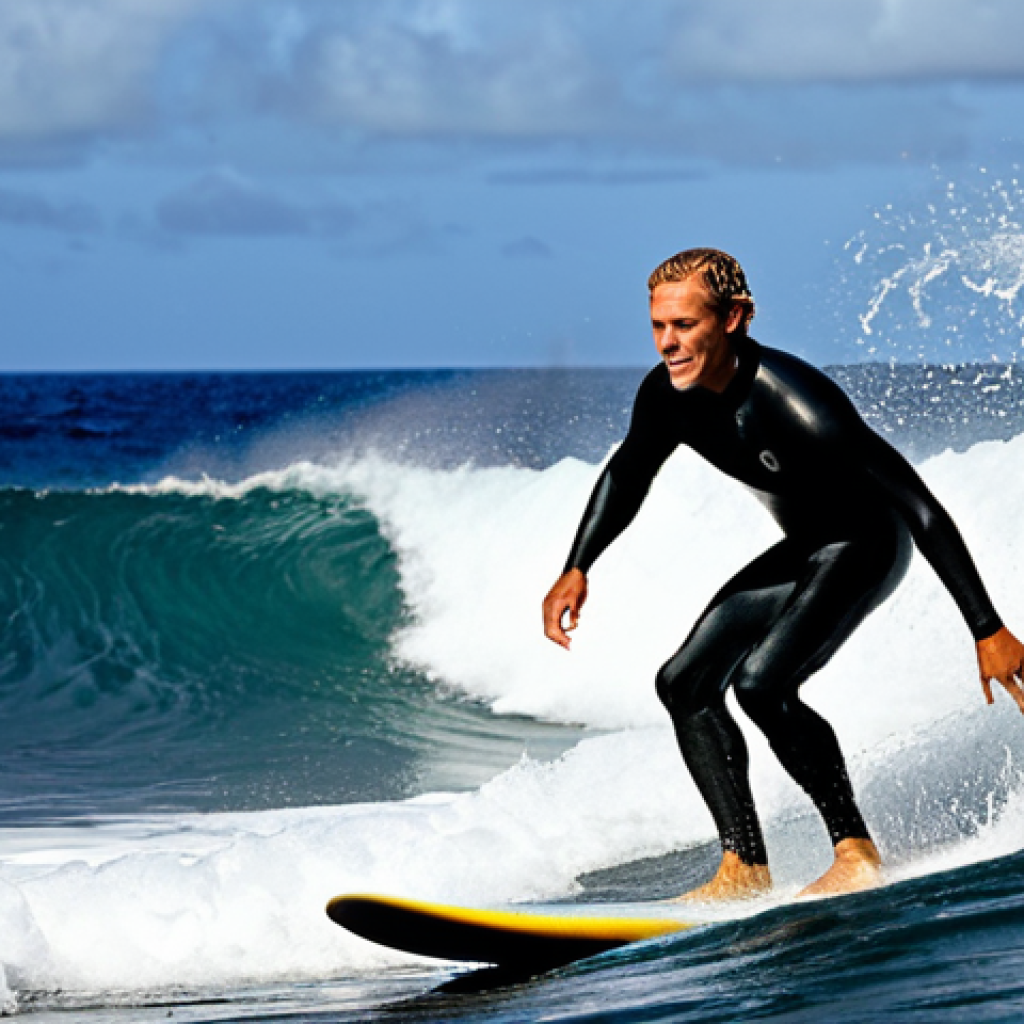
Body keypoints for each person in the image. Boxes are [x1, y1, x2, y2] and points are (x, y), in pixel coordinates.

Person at [542, 248, 1024, 901]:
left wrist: (987, 628)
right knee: (683, 684)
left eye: (684, 325)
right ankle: (743, 867)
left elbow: (921, 508)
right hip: (805, 545)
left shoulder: (799, 403)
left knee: (762, 684)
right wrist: (579, 565)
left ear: (734, 317)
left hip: (867, 543)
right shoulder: (669, 396)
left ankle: (855, 852)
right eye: (658, 326)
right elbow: (629, 472)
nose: (668, 343)